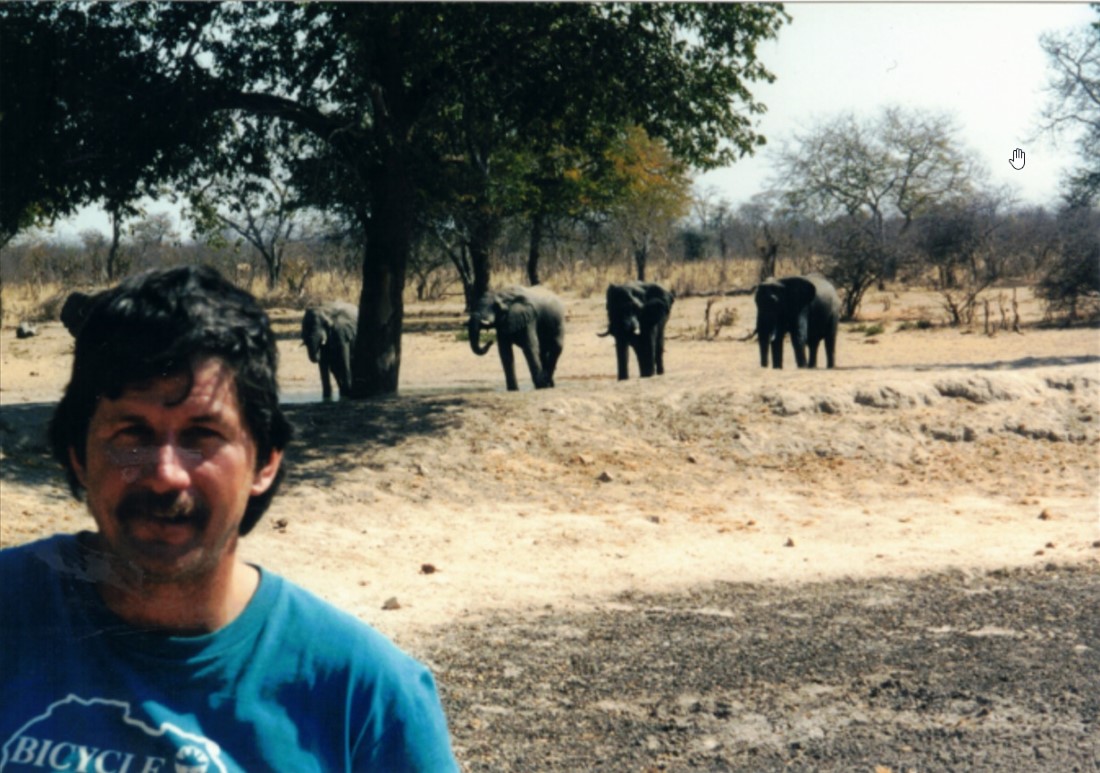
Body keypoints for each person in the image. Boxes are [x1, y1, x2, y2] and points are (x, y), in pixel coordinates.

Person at [0, 266, 458, 772]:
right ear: (79, 455)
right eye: (132, 433)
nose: (165, 474)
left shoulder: (367, 702)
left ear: (265, 461)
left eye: (202, 436)